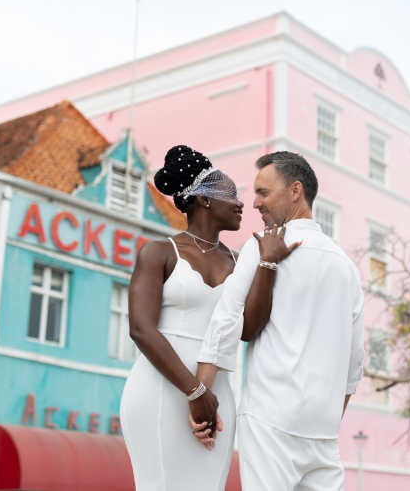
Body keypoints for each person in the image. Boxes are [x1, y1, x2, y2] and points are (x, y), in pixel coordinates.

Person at [120, 145, 296, 491]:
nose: (242, 203)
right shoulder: (158, 252)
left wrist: (267, 263)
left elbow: (248, 329)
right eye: (231, 195)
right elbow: (141, 329)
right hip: (159, 390)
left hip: (217, 396)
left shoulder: (241, 259)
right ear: (204, 200)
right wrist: (195, 391)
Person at [195, 151, 365, 491]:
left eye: (262, 192)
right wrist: (329, 419)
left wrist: (200, 395)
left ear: (295, 190)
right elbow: (355, 360)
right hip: (323, 429)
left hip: (270, 417)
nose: (254, 203)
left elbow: (226, 320)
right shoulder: (346, 267)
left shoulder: (259, 247)